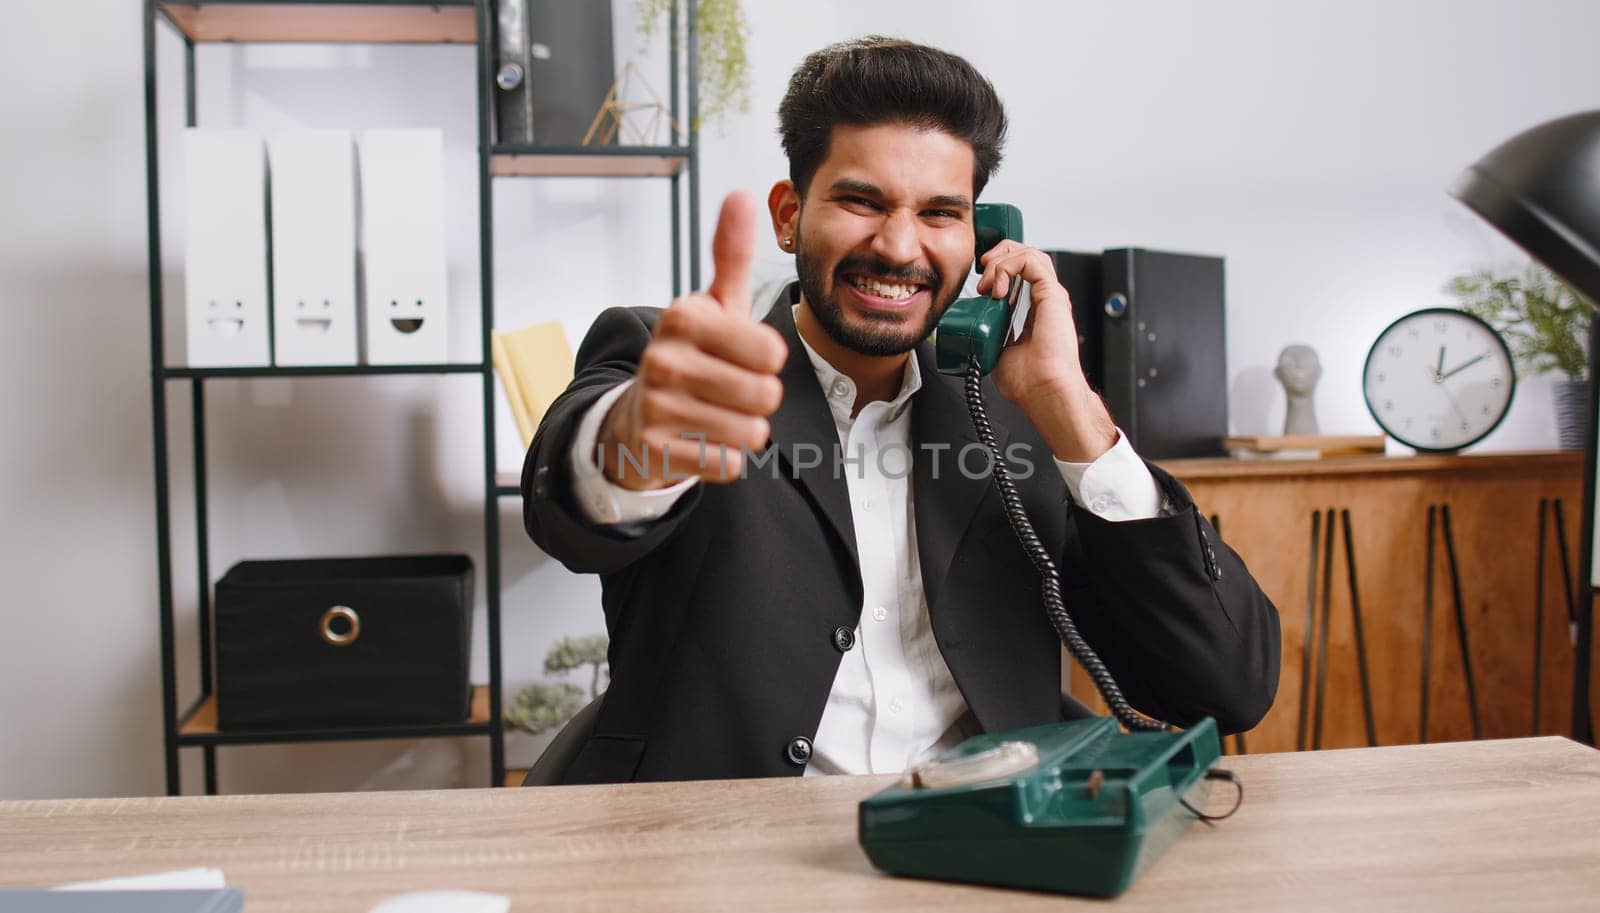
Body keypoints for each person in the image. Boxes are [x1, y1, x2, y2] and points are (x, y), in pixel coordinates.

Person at [522, 36, 1280, 784]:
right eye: (861, 200)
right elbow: (569, 505)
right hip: (725, 849)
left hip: (979, 846)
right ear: (789, 214)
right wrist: (635, 442)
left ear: (981, 235)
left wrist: (1070, 405)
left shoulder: (1019, 416)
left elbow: (1223, 683)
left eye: (941, 213)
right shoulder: (689, 371)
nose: (898, 246)